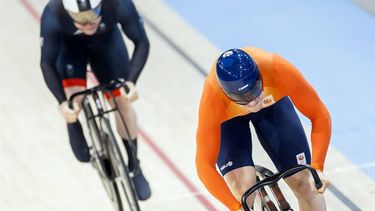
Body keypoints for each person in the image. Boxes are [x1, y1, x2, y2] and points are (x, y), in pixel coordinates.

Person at [40, 0, 151, 200]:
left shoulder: (118, 4)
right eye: (80, 20)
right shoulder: (53, 13)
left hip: (107, 44)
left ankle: (134, 165)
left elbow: (142, 42)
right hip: (70, 49)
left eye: (92, 16)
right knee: (75, 99)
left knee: (122, 100)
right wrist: (63, 104)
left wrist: (132, 82)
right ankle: (73, 121)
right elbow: (46, 63)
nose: (88, 23)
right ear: (68, 12)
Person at [196, 48, 331, 210]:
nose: (252, 102)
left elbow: (320, 115)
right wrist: (236, 207)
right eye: (242, 98)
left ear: (260, 75)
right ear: (226, 93)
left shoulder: (277, 69)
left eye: (254, 90)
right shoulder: (213, 99)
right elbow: (204, 165)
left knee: (305, 183)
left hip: (271, 105)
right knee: (242, 193)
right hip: (230, 121)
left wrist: (317, 167)